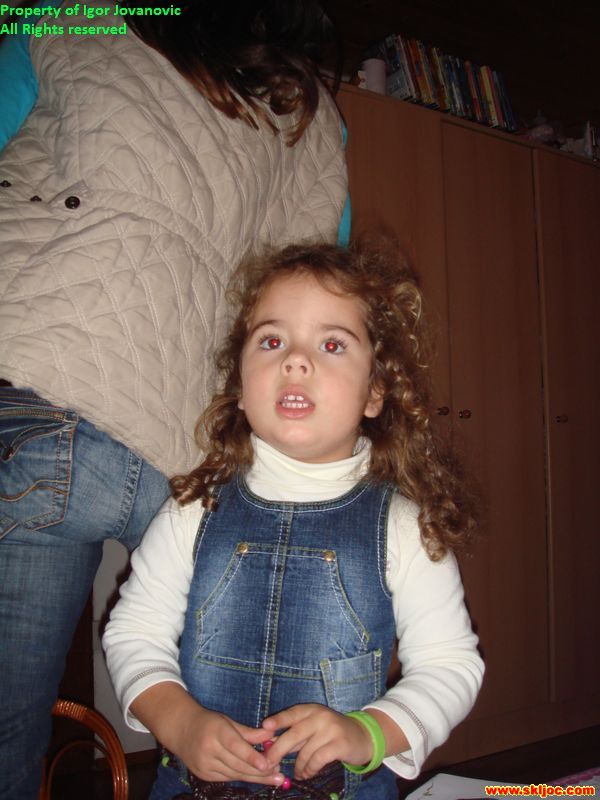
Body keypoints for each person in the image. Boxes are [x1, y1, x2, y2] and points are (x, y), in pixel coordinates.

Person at [0, 2, 348, 797]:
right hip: (194, 447)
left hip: (44, 384)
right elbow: (320, 294)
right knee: (249, 743)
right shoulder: (311, 110)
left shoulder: (73, 16)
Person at [103, 240, 485, 799]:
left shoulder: (404, 527)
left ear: (375, 391)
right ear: (240, 385)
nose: (295, 360)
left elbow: (450, 665)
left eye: (332, 344)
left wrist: (368, 732)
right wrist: (179, 722)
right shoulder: (192, 509)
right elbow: (134, 633)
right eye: (272, 340)